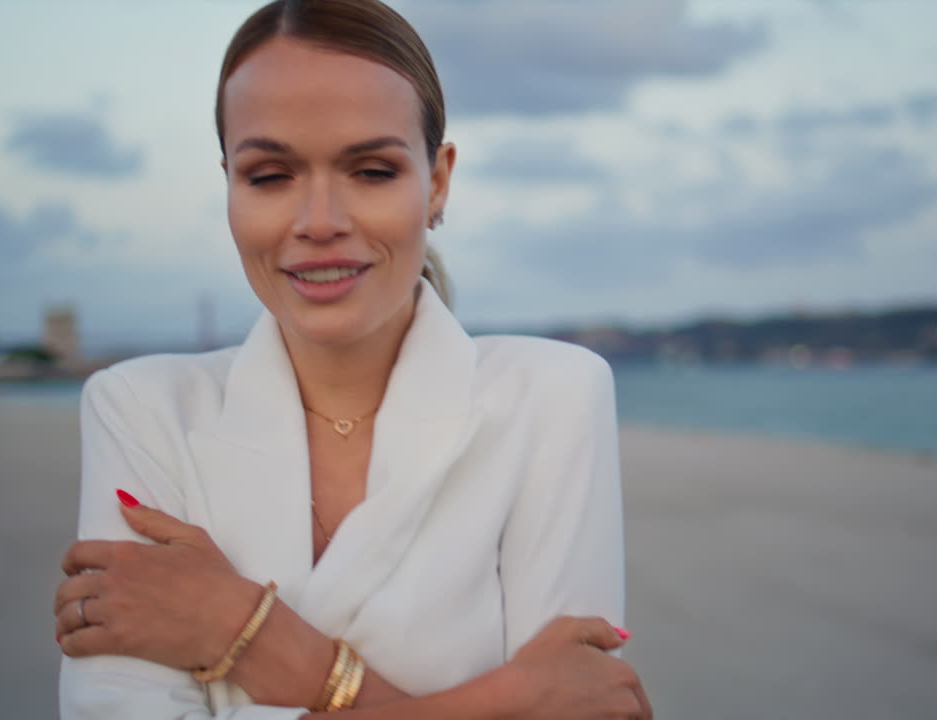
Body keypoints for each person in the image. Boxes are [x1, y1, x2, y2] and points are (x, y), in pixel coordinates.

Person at [53, 0, 651, 717]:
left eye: (370, 171)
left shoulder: (553, 396)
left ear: (437, 182)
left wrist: (247, 633)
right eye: (270, 176)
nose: (319, 222)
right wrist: (502, 701)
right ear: (229, 186)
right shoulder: (140, 410)